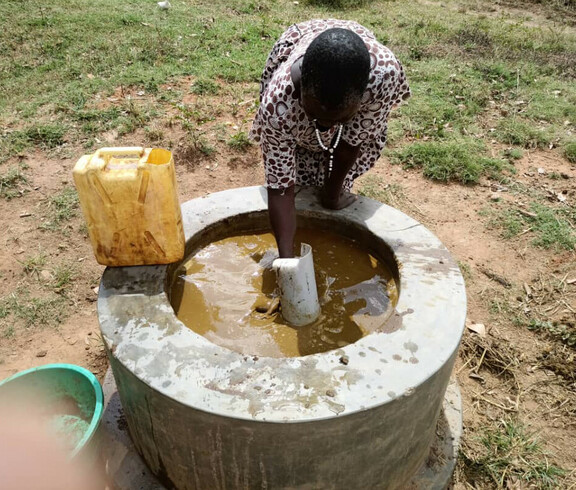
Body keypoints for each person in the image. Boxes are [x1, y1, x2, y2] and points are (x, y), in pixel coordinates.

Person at [250, 19, 410, 258]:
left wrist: (332, 195)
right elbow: (280, 187)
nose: (326, 125)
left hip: (358, 63)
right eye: (314, 114)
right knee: (300, 179)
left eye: (340, 119)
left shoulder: (382, 78)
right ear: (301, 87)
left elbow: (351, 142)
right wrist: (287, 261)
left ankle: (332, 193)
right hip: (301, 44)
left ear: (361, 96)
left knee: (335, 174)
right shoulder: (277, 106)